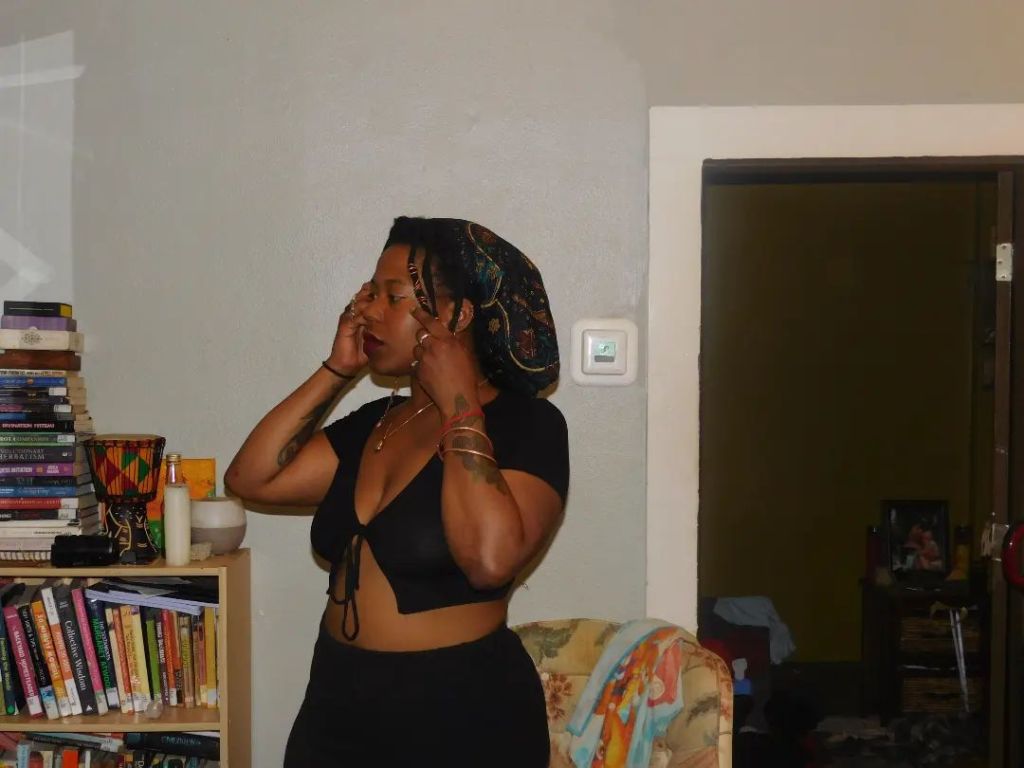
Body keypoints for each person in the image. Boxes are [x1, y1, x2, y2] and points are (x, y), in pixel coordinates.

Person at [226, 217, 569, 766]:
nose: (367, 311)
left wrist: (460, 399)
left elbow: (489, 559)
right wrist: (337, 369)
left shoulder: (528, 425)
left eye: (393, 296)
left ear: (456, 314)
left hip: (460, 712)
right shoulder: (375, 422)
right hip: (337, 701)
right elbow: (252, 478)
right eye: (370, 294)